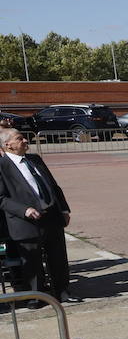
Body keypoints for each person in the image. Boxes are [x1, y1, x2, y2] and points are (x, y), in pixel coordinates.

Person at [0, 128, 74, 305]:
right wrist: (23, 210)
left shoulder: (35, 160)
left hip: (51, 217)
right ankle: (36, 297)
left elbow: (53, 187)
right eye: (19, 138)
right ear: (7, 145)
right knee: (32, 263)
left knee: (58, 259)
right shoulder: (2, 167)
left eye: (24, 137)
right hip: (25, 221)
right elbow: (1, 198)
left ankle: (62, 293)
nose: (25, 140)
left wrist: (63, 210)